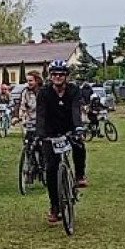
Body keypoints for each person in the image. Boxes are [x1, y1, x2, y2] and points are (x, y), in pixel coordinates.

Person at [36, 59, 87, 224]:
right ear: (50, 76)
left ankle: (80, 174)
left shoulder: (74, 91)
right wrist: (40, 133)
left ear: (66, 76)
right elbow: (41, 114)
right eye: (55, 74)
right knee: (51, 169)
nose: (58, 77)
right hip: (50, 133)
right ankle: (55, 206)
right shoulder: (43, 93)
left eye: (61, 74)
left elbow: (75, 110)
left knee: (79, 146)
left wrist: (78, 128)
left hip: (69, 129)